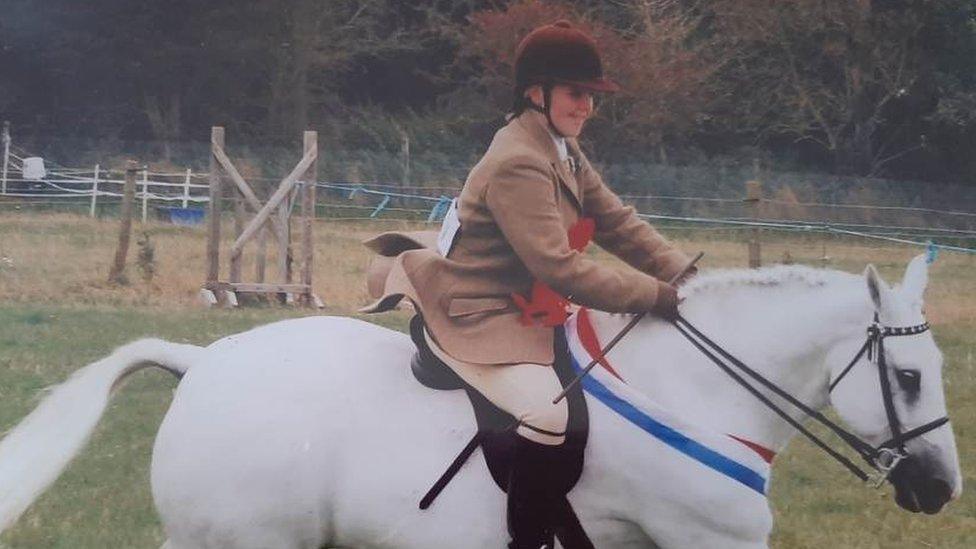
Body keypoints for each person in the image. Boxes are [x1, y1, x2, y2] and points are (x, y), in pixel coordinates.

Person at [363, 20, 695, 549]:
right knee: (548, 412)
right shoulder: (518, 159)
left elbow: (614, 220)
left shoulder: (559, 147)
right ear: (535, 94)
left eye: (591, 96)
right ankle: (529, 539)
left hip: (523, 306)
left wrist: (684, 273)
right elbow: (559, 269)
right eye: (575, 93)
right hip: (478, 312)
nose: (586, 105)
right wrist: (656, 296)